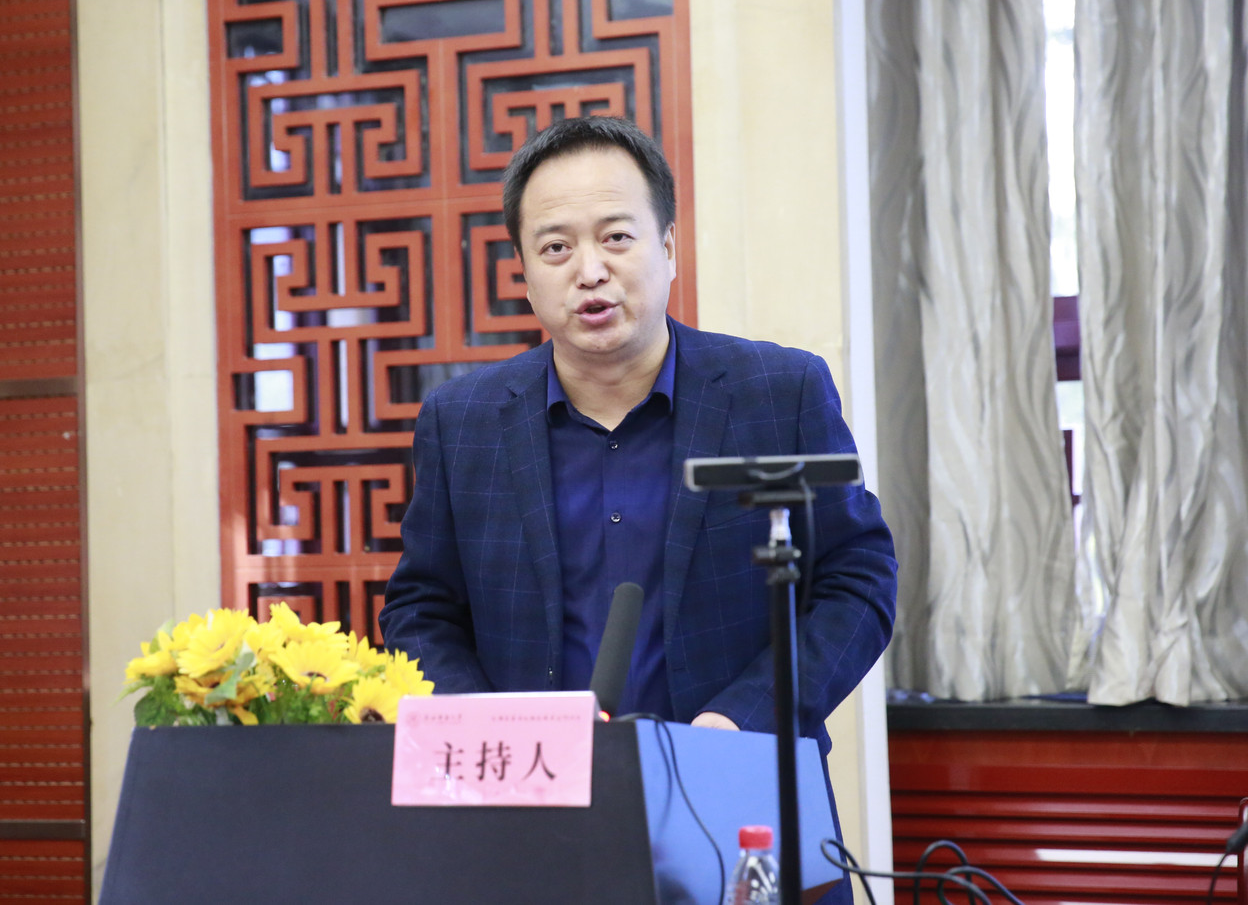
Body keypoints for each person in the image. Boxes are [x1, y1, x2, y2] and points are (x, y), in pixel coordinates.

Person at [379, 115, 895, 807]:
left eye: (617, 237)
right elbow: (421, 609)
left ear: (669, 247)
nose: (590, 270)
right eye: (556, 247)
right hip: (531, 803)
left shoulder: (779, 392)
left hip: (739, 782)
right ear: (524, 274)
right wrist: (489, 733)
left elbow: (857, 578)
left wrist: (743, 718)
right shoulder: (461, 421)